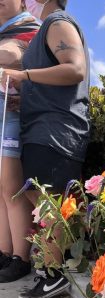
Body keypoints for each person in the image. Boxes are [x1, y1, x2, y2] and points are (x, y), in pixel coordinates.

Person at [3, 0, 90, 298]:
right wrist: (24, 94)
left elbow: (74, 69)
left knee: (48, 201)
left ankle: (53, 275)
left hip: (56, 130)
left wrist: (23, 76)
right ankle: (50, 270)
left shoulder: (57, 23)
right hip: (44, 127)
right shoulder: (49, 29)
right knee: (41, 199)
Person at [0, 0, 39, 283]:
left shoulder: (29, 26)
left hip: (15, 115)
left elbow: (14, 54)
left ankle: (21, 257)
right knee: (1, 189)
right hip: (1, 116)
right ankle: (4, 251)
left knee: (13, 187)